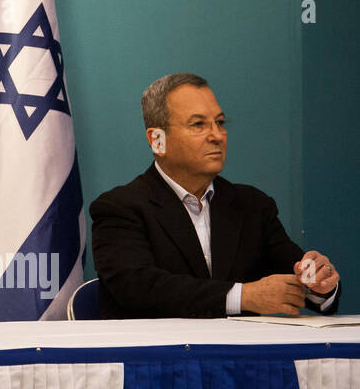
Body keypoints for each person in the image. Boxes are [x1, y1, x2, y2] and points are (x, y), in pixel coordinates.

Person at [90, 73, 339, 318]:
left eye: (219, 122)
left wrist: (317, 283)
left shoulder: (252, 206)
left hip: (240, 356)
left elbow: (298, 276)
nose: (217, 136)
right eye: (198, 125)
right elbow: (139, 289)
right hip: (156, 355)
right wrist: (244, 296)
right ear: (157, 140)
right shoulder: (120, 208)